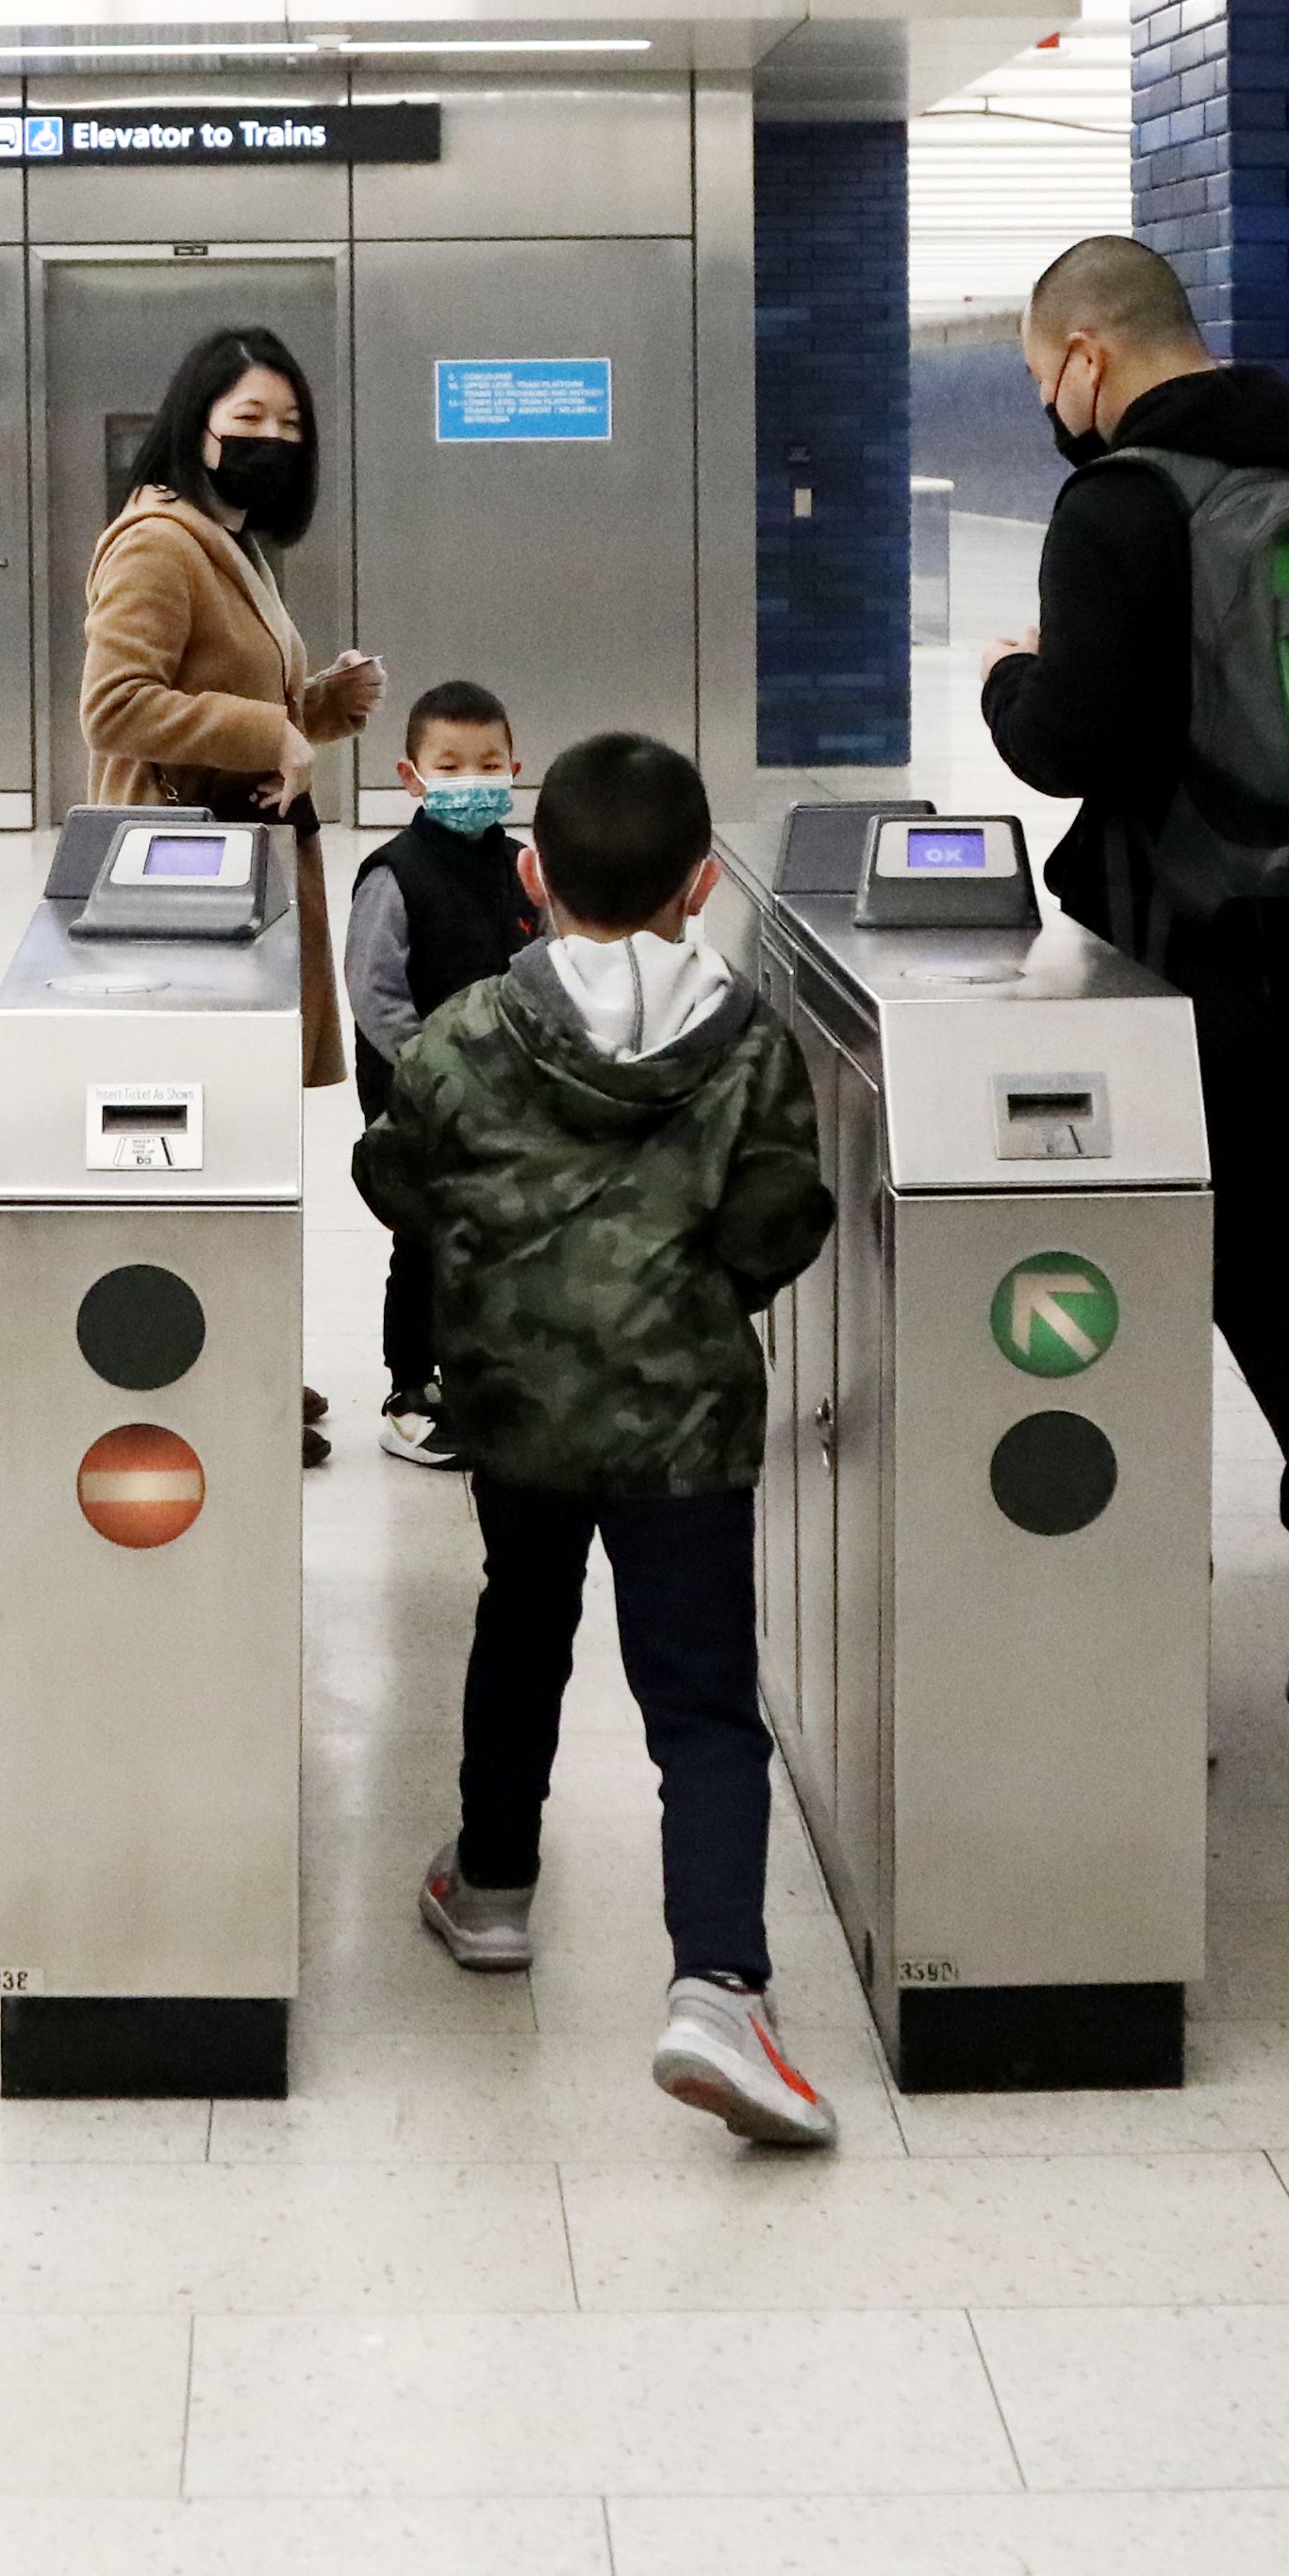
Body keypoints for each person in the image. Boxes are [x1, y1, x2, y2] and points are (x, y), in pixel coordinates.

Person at [355, 729, 845, 2149]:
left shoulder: (462, 1033)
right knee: (700, 1703)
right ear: (703, 887)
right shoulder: (748, 1042)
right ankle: (718, 1988)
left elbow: (396, 1177)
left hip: (517, 1410)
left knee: (522, 1625)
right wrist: (693, 1299)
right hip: (685, 1421)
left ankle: (493, 1889)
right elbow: (776, 1221)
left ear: (529, 874)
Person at [978, 232, 1289, 1707]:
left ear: (1088, 358)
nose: (1055, 401)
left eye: (1049, 374)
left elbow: (1070, 744)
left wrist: (1008, 680)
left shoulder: (1121, 504)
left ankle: (1120, 1558)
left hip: (1194, 966)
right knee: (1282, 1241)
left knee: (1160, 1251)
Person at [76, 322, 382, 1459]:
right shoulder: (159, 542)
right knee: (197, 1135)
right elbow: (114, 706)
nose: (268, 440)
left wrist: (315, 708)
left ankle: (246, 1361)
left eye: (287, 425)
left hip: (243, 874)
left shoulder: (234, 544)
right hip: (183, 895)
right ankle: (210, 1375)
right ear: (195, 421)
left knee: (240, 1135)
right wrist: (267, 722)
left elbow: (225, 707)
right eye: (246, 419)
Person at [342, 679, 537, 1473]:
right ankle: (409, 1394)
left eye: (488, 764)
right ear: (410, 776)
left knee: (496, 1239)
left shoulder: (526, 866)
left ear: (516, 769)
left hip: (509, 1094)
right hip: (416, 1104)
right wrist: (441, 1066)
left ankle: (485, 1379)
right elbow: (374, 993)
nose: (471, 779)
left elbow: (548, 967)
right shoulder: (392, 874)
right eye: (449, 765)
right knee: (422, 1242)